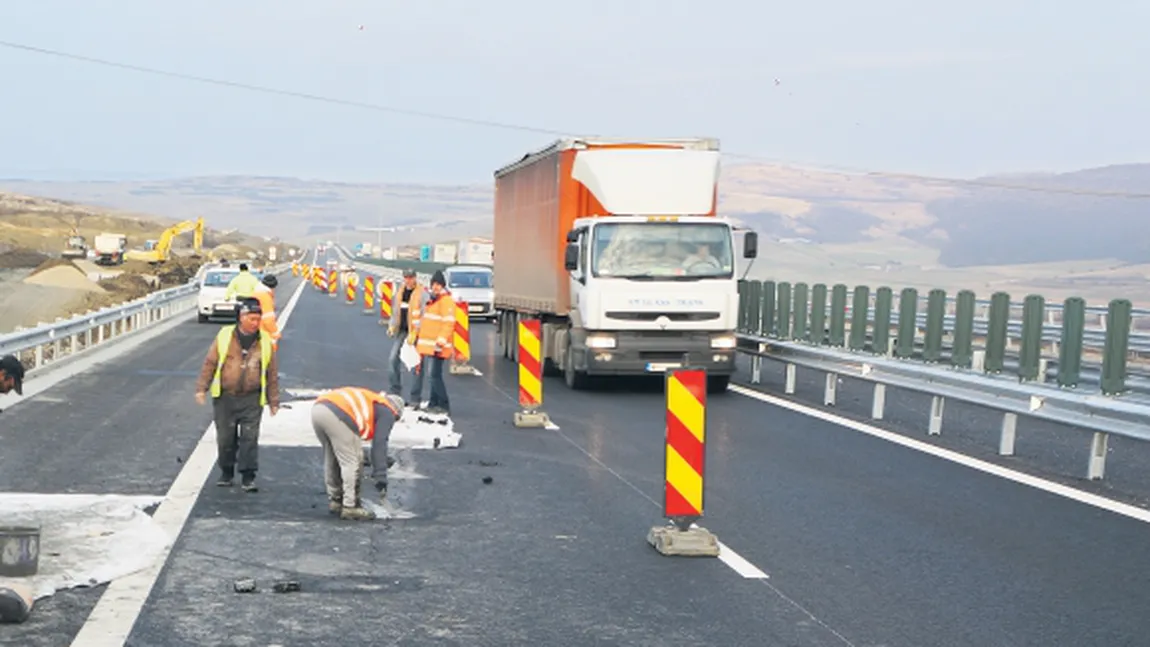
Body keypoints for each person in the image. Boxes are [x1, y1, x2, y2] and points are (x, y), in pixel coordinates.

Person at [195, 297, 280, 491]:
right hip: (226, 398)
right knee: (226, 438)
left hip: (251, 399)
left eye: (258, 319)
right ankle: (226, 472)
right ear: (241, 318)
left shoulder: (265, 341)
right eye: (252, 319)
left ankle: (248, 476)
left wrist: (273, 401)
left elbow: (271, 373)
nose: (256, 323)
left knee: (250, 439)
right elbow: (210, 363)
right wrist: (201, 388)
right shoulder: (225, 336)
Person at [311, 388, 404, 520]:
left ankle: (336, 500)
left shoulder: (373, 401)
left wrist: (376, 460)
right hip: (339, 412)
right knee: (352, 461)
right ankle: (350, 506)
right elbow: (380, 442)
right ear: (396, 413)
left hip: (319, 409)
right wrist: (381, 475)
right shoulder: (388, 411)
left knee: (332, 457)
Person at [410, 270, 455, 414]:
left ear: (443, 286)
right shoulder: (433, 301)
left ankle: (443, 404)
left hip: (439, 346)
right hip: (431, 346)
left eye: (438, 285)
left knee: (434, 376)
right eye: (434, 284)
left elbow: (448, 324)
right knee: (433, 375)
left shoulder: (446, 301)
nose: (435, 287)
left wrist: (440, 342)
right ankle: (433, 403)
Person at [386, 268, 425, 402]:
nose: (408, 280)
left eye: (411, 277)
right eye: (406, 277)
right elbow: (396, 311)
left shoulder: (421, 293)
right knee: (392, 360)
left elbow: (424, 314)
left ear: (415, 277)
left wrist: (416, 331)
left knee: (416, 365)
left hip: (415, 333)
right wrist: (392, 325)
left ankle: (415, 398)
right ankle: (395, 392)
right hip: (402, 331)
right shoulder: (400, 292)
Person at [253, 273, 281, 350]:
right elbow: (268, 318)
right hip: (263, 332)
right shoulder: (265, 297)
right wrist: (275, 332)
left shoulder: (257, 293)